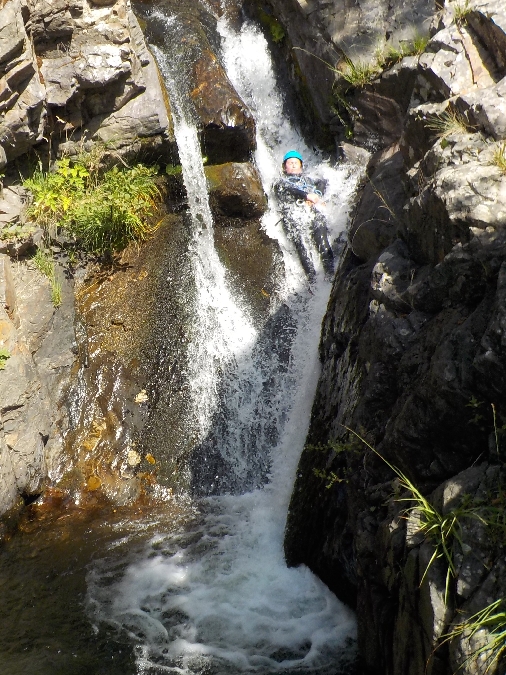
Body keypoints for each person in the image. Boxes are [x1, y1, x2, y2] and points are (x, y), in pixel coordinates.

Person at [274, 150, 334, 279]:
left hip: (310, 211)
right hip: (292, 214)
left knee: (322, 237)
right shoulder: (280, 182)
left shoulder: (308, 180)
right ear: (285, 167)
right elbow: (288, 190)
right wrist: (306, 195)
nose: (294, 165)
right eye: (290, 163)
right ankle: (312, 278)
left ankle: (330, 274)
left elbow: (323, 181)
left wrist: (317, 196)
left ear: (301, 166)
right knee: (301, 245)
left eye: (296, 163)